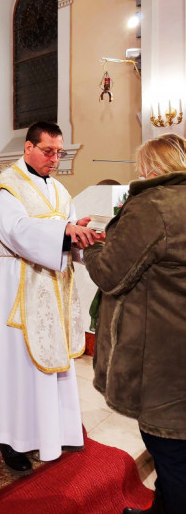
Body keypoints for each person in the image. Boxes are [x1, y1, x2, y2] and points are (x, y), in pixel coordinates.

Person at [0, 121, 98, 472]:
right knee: (17, 365)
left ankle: (53, 430)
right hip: (18, 289)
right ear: (28, 147)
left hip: (53, 291)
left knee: (51, 361)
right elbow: (16, 231)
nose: (55, 159)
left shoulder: (60, 190)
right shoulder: (5, 189)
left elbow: (67, 236)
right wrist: (63, 231)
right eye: (48, 151)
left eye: (59, 152)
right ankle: (10, 438)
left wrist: (80, 236)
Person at [84, 133, 186, 514]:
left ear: (153, 168)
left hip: (162, 355)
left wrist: (92, 246)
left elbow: (111, 274)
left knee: (168, 448)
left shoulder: (152, 205)